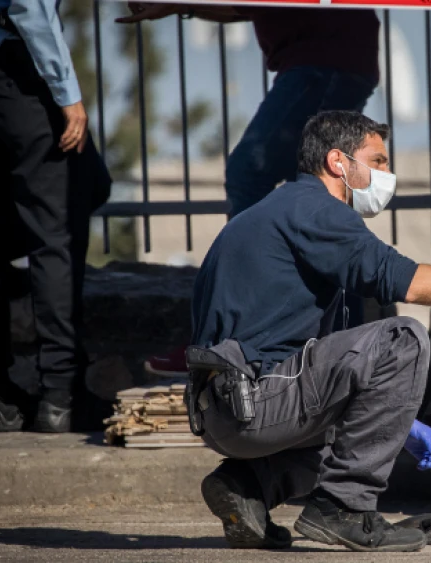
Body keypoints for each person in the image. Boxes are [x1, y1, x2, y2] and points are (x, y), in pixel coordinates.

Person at [187, 110, 431, 551]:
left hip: (224, 410)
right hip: (256, 402)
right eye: (378, 160)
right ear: (337, 162)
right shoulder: (314, 209)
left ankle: (246, 486)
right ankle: (344, 509)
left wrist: (397, 426)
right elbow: (409, 283)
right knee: (403, 340)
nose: (387, 173)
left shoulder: (275, 211)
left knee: (348, 433)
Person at [117, 2, 380, 378]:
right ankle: (340, 345)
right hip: (329, 57)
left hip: (324, 58)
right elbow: (247, 8)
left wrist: (178, 4)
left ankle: (231, 339)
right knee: (314, 200)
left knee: (251, 172)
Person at [0, 0, 93, 433]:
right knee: (50, 237)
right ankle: (58, 396)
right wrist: (67, 92)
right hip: (15, 69)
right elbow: (30, 6)